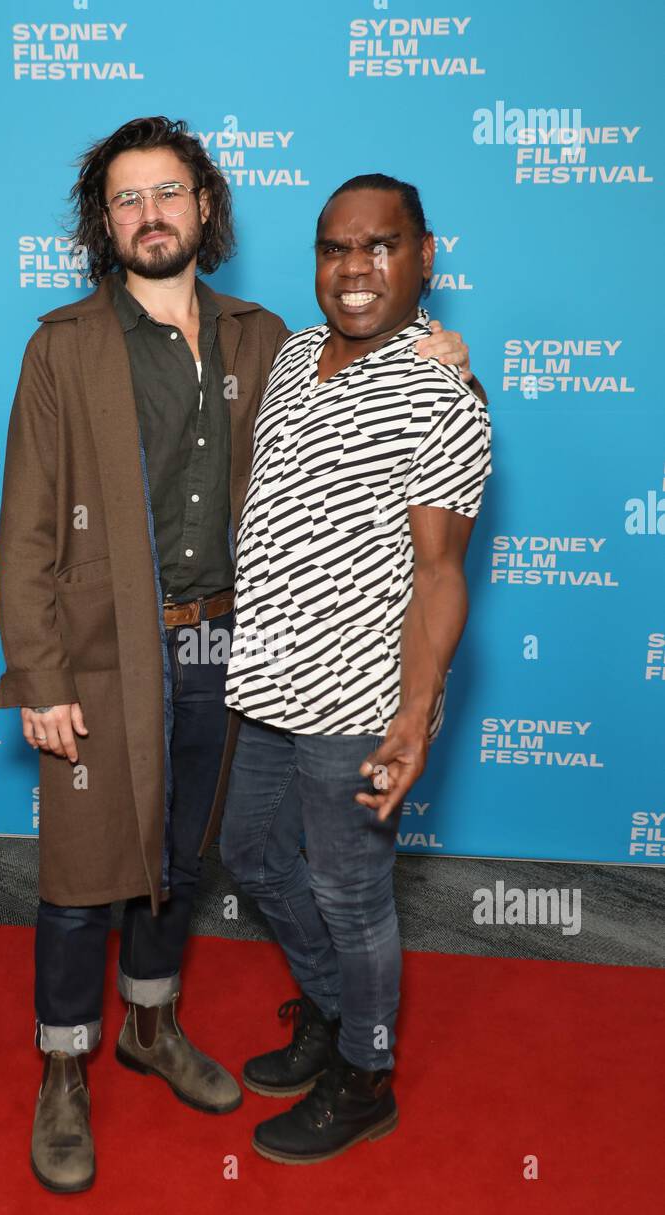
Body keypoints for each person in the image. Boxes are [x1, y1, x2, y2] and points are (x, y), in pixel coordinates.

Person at [0, 117, 481, 1193]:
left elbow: (402, 400)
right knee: (81, 875)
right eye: (127, 199)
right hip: (100, 652)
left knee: (179, 861)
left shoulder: (267, 337)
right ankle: (63, 1071)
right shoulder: (63, 346)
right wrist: (37, 673)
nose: (150, 213)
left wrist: (450, 360)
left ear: (204, 206)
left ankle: (151, 1030)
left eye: (168, 192)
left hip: (231, 651)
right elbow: (25, 523)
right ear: (102, 221)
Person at [219, 173, 493, 1165]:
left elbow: (439, 572)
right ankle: (337, 1020)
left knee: (350, 894)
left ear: (423, 257)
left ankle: (366, 1073)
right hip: (262, 679)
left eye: (379, 246)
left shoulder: (441, 395)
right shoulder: (294, 355)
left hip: (356, 704)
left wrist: (415, 714)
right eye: (335, 248)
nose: (354, 268)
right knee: (249, 854)